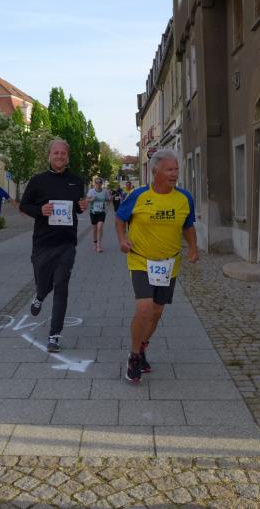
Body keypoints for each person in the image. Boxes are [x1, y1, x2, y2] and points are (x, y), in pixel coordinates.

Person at [115, 149, 198, 383]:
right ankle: (133, 356)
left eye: (176, 169)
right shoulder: (139, 195)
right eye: (169, 169)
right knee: (144, 308)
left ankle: (142, 346)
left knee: (157, 312)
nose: (174, 174)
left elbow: (188, 226)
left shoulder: (184, 198)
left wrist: (193, 248)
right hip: (141, 259)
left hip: (168, 263)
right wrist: (122, 239)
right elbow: (120, 218)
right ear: (155, 172)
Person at [20, 138, 88, 352]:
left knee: (61, 285)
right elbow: (24, 205)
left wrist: (82, 206)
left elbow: (78, 207)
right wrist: (39, 211)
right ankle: (40, 295)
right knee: (43, 283)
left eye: (63, 153)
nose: (59, 156)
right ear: (49, 156)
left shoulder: (76, 181)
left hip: (66, 242)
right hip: (43, 242)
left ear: (68, 157)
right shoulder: (38, 181)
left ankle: (54, 335)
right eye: (56, 153)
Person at [87, 177, 111, 252]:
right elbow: (87, 200)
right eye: (97, 182)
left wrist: (109, 199)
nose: (98, 184)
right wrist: (91, 199)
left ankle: (99, 246)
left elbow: (107, 199)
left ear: (102, 183)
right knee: (94, 229)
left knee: (100, 227)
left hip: (102, 212)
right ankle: (95, 243)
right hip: (93, 212)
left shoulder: (104, 191)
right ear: (95, 183)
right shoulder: (91, 191)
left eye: (100, 182)